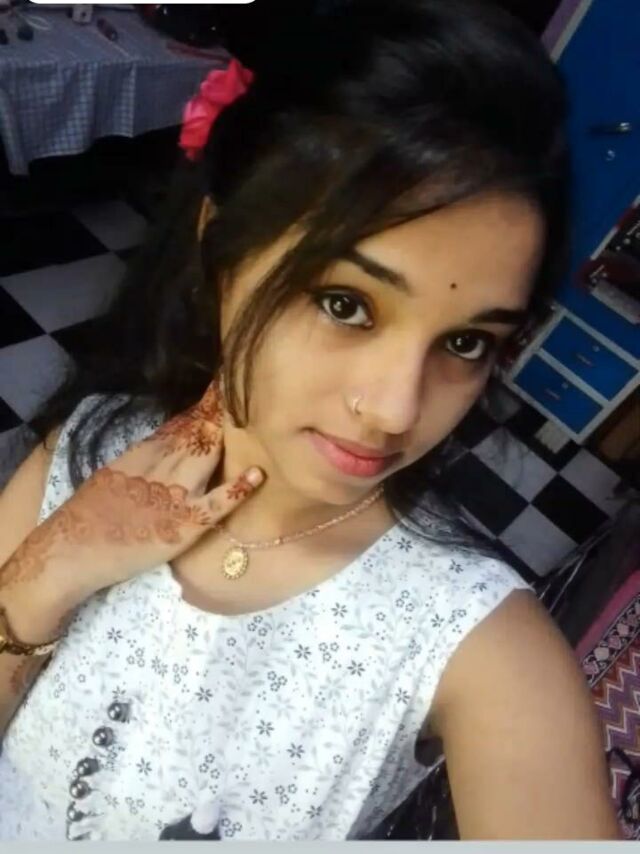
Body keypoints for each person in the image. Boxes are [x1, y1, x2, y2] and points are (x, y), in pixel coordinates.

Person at [0, 0, 621, 841]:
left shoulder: (479, 650)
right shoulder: (92, 445)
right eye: (345, 304)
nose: (396, 409)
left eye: (466, 342)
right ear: (221, 247)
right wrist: (48, 574)